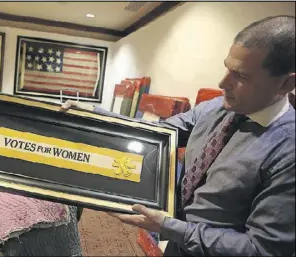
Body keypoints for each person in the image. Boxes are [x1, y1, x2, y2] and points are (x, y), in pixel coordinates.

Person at [62, 15, 295, 256]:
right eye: (227, 68)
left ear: (285, 85)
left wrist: (169, 227)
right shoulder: (215, 107)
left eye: (242, 76)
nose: (223, 82)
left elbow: (262, 249)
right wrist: (94, 117)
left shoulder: (288, 150)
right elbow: (155, 133)